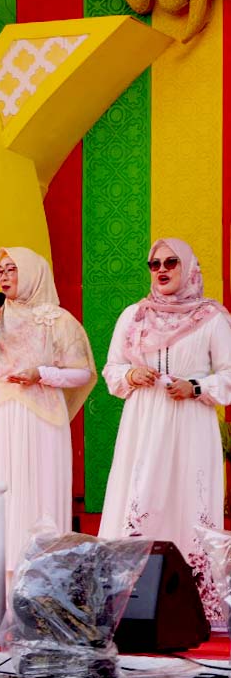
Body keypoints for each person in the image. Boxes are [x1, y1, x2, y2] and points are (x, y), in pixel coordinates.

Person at [99, 238, 231, 622]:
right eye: (154, 264)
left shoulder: (212, 318)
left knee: (188, 499)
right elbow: (111, 369)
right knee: (140, 494)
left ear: (187, 267)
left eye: (171, 262)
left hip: (190, 422)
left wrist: (197, 387)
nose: (161, 270)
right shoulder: (134, 315)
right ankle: (129, 604)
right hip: (143, 423)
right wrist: (130, 374)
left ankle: (191, 607)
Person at [0, 247, 95, 576]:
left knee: (38, 494)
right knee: (3, 494)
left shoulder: (58, 320)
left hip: (41, 420)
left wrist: (41, 374)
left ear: (31, 272)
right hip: (0, 421)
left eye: (10, 269)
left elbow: (82, 373)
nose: (3, 277)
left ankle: (41, 580)